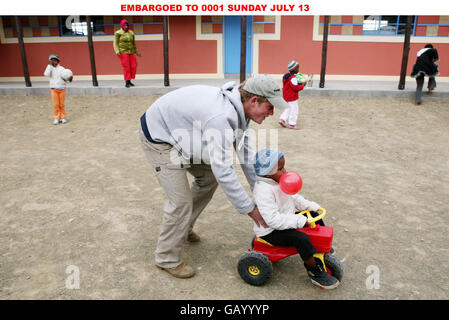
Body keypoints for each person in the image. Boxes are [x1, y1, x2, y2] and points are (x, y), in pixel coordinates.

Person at [139, 75, 289, 279]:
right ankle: (166, 258)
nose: (272, 113)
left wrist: (262, 192)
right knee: (180, 201)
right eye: (270, 107)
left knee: (208, 178)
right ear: (254, 101)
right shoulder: (220, 117)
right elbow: (224, 169)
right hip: (160, 138)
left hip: (183, 134)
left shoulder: (242, 113)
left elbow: (246, 156)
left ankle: (183, 227)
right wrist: (251, 209)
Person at [252, 148, 339, 289]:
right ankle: (314, 271)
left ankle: (319, 246)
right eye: (280, 168)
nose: (285, 171)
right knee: (301, 239)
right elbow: (273, 220)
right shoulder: (263, 191)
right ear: (268, 173)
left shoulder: (278, 181)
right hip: (271, 231)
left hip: (286, 219)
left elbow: (293, 196)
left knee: (315, 217)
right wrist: (300, 221)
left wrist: (309, 206)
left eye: (284, 167)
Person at [43, 54, 72, 125]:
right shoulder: (50, 68)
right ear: (50, 61)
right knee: (56, 104)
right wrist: (49, 66)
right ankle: (57, 118)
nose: (54, 62)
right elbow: (46, 74)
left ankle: (63, 117)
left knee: (61, 104)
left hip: (62, 89)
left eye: (55, 60)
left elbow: (66, 77)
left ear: (58, 61)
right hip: (54, 89)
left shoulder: (62, 69)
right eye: (52, 60)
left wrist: (69, 79)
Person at [279, 60, 307, 130]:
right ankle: (292, 124)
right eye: (297, 68)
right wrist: (302, 85)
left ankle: (282, 119)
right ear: (293, 69)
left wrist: (298, 82)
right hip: (292, 96)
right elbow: (296, 88)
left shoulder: (286, 76)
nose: (298, 69)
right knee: (294, 109)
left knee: (288, 108)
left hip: (286, 95)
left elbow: (290, 85)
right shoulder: (293, 78)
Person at [114, 19, 141, 88]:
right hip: (123, 52)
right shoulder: (118, 33)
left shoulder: (131, 33)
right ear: (122, 26)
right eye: (124, 25)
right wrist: (117, 51)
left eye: (127, 25)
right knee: (127, 67)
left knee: (134, 65)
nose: (126, 26)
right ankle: (127, 82)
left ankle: (129, 80)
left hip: (131, 52)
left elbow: (134, 44)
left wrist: (137, 52)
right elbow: (115, 43)